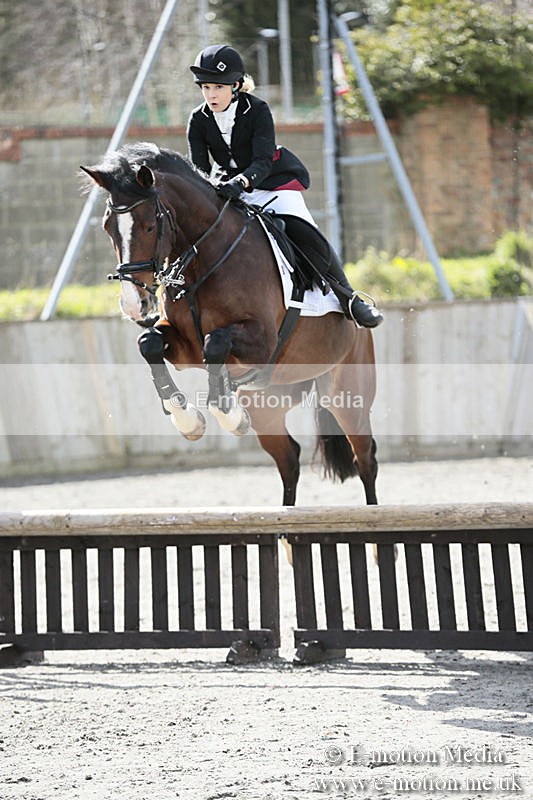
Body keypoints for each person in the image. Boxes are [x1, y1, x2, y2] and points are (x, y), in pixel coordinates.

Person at [187, 44, 383, 328]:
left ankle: (349, 298)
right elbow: (199, 168)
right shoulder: (197, 118)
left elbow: (263, 160)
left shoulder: (257, 110)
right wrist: (212, 187)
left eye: (218, 86)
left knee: (304, 230)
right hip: (229, 188)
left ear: (237, 85)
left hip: (270, 184)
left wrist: (241, 182)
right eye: (205, 87)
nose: (211, 94)